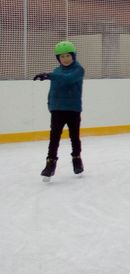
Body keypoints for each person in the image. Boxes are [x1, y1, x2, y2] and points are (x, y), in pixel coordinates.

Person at [33, 40, 86, 182]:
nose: (65, 59)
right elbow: (53, 90)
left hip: (73, 109)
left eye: (68, 56)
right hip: (57, 109)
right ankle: (50, 164)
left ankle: (77, 159)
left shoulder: (78, 70)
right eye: (62, 56)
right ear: (58, 58)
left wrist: (49, 75)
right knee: (54, 137)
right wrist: (50, 105)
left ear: (73, 56)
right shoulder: (56, 71)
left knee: (74, 137)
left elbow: (67, 79)